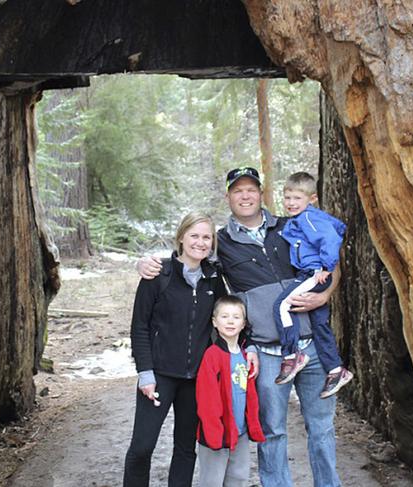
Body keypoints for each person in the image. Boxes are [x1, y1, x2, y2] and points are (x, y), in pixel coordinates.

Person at [138, 167, 342, 487]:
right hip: (269, 350)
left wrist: (325, 294)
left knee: (322, 429)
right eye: (238, 191)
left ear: (262, 193)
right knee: (272, 432)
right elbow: (191, 253)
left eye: (251, 189)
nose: (245, 196)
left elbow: (330, 258)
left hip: (312, 345)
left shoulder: (291, 225)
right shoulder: (222, 241)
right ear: (229, 197)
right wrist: (149, 263)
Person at [124, 211, 227, 487]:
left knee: (185, 448)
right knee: (142, 446)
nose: (201, 242)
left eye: (207, 237)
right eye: (194, 235)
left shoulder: (213, 278)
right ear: (181, 237)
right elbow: (140, 327)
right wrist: (145, 372)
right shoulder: (159, 274)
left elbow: (226, 319)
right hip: (159, 375)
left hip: (196, 380)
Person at [272, 172, 353, 398]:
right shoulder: (300, 220)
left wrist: (326, 267)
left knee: (281, 306)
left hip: (313, 273)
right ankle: (336, 370)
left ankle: (292, 354)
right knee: (320, 324)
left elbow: (330, 239)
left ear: (312, 198)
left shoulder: (308, 218)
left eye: (297, 198)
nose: (291, 203)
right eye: (287, 198)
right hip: (313, 271)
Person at [196, 296, 265, 487]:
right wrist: (213, 432)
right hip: (216, 432)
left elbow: (248, 394)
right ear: (214, 322)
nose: (230, 321)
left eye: (236, 317)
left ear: (244, 324)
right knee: (212, 481)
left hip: (240, 431)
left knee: (238, 478)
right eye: (224, 316)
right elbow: (206, 399)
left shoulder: (246, 356)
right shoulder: (212, 356)